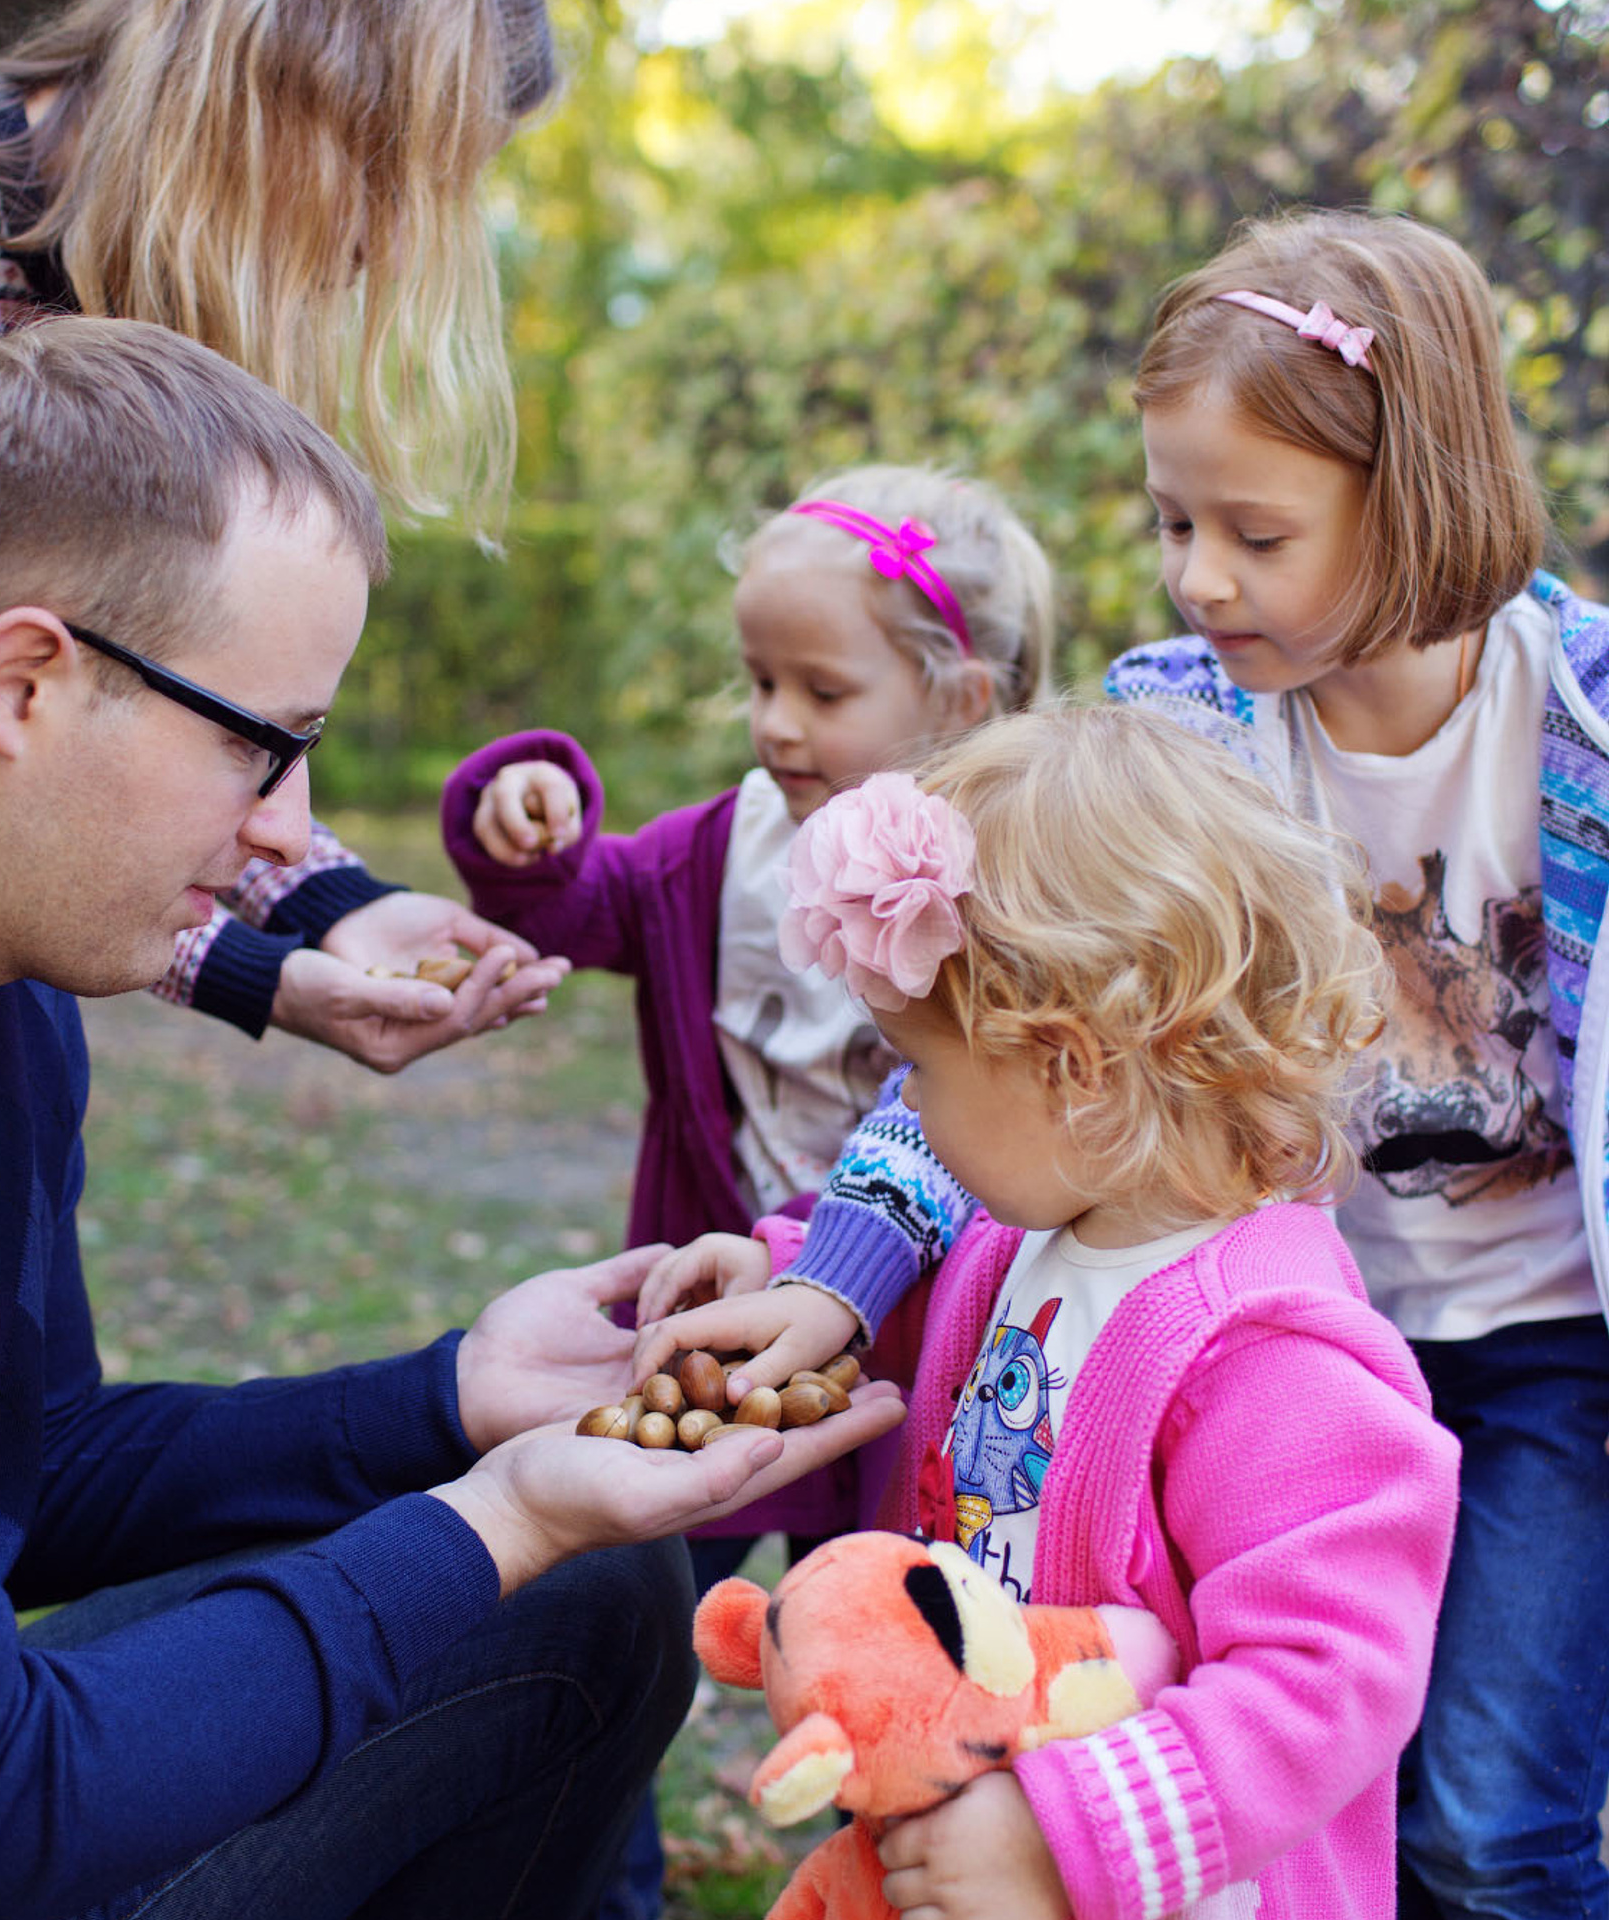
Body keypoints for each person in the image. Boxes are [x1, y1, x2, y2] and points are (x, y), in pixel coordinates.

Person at [0, 314, 907, 1920]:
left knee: (592, 1596)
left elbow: (34, 1463)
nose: (292, 841)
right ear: (27, 681)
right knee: (528, 1565)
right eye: (263, 749)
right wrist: (496, 1517)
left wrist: (454, 1402)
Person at [649, 208, 1609, 1920]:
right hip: (1265, 1326)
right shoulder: (1181, 725)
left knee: (1483, 1811)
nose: (1197, 576)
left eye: (1256, 531)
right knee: (1258, 1742)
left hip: (1549, 1343)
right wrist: (843, 1276)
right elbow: (998, 1035)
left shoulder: (1589, 718)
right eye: (1176, 520)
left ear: (1422, 500)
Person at [640, 704, 1460, 1918]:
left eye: (919, 1068)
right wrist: (797, 1288)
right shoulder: (1023, 1236)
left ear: (1073, 1067)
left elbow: (1331, 1678)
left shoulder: (1271, 1352)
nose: (901, 1107)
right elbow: (935, 1322)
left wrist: (1067, 1837)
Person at [0, 0, 564, 1070]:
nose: (389, 248)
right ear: (298, 87)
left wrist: (332, 904)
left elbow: (151, 696)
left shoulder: (163, 281)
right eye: (403, 176)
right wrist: (257, 970)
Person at [442, 467, 1050, 1915]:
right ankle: (601, 1875)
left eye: (821, 689)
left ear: (957, 699)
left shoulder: (1020, 880)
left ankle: (905, 1875)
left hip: (921, 1377)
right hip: (718, 1336)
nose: (776, 721)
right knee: (618, 1593)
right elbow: (571, 903)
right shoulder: (718, 856)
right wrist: (518, 820)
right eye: (759, 680)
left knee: (908, 1643)